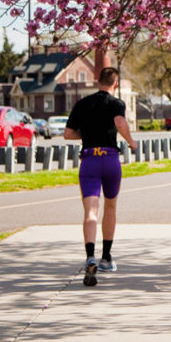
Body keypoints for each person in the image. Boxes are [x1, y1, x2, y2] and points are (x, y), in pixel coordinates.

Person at [64, 65, 138, 286]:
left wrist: (86, 134)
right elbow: (119, 122)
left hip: (89, 161)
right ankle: (106, 257)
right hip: (110, 159)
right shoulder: (116, 103)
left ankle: (89, 256)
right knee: (111, 206)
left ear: (97, 81)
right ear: (115, 84)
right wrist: (131, 142)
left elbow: (68, 134)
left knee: (90, 212)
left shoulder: (82, 104)